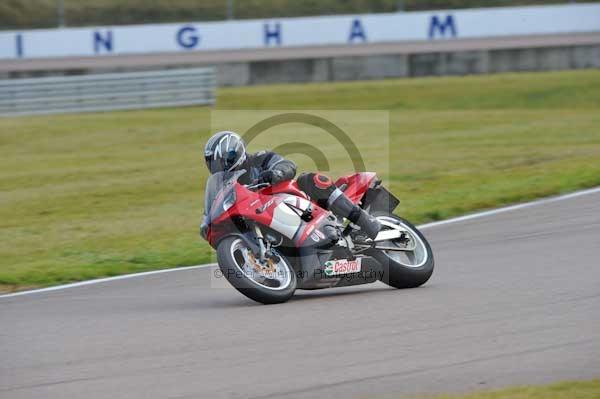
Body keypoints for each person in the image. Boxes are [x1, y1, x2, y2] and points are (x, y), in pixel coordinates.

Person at [202, 131, 381, 239]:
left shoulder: (260, 158)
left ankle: (365, 220)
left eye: (222, 161)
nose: (219, 167)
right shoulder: (226, 186)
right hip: (268, 218)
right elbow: (216, 206)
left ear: (235, 153)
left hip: (297, 203)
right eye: (214, 164)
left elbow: (288, 165)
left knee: (310, 179)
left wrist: (276, 173)